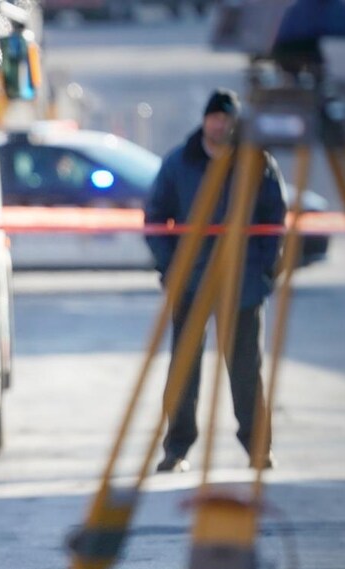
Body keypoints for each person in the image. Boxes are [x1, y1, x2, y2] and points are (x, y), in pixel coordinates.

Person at [144, 89, 286, 474]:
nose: (220, 124)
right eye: (214, 117)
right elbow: (156, 217)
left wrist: (266, 268)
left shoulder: (256, 163)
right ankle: (177, 448)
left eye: (226, 118)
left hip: (242, 285)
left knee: (244, 369)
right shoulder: (179, 162)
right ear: (205, 121)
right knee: (184, 369)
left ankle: (258, 448)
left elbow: (275, 220)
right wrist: (170, 268)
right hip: (191, 282)